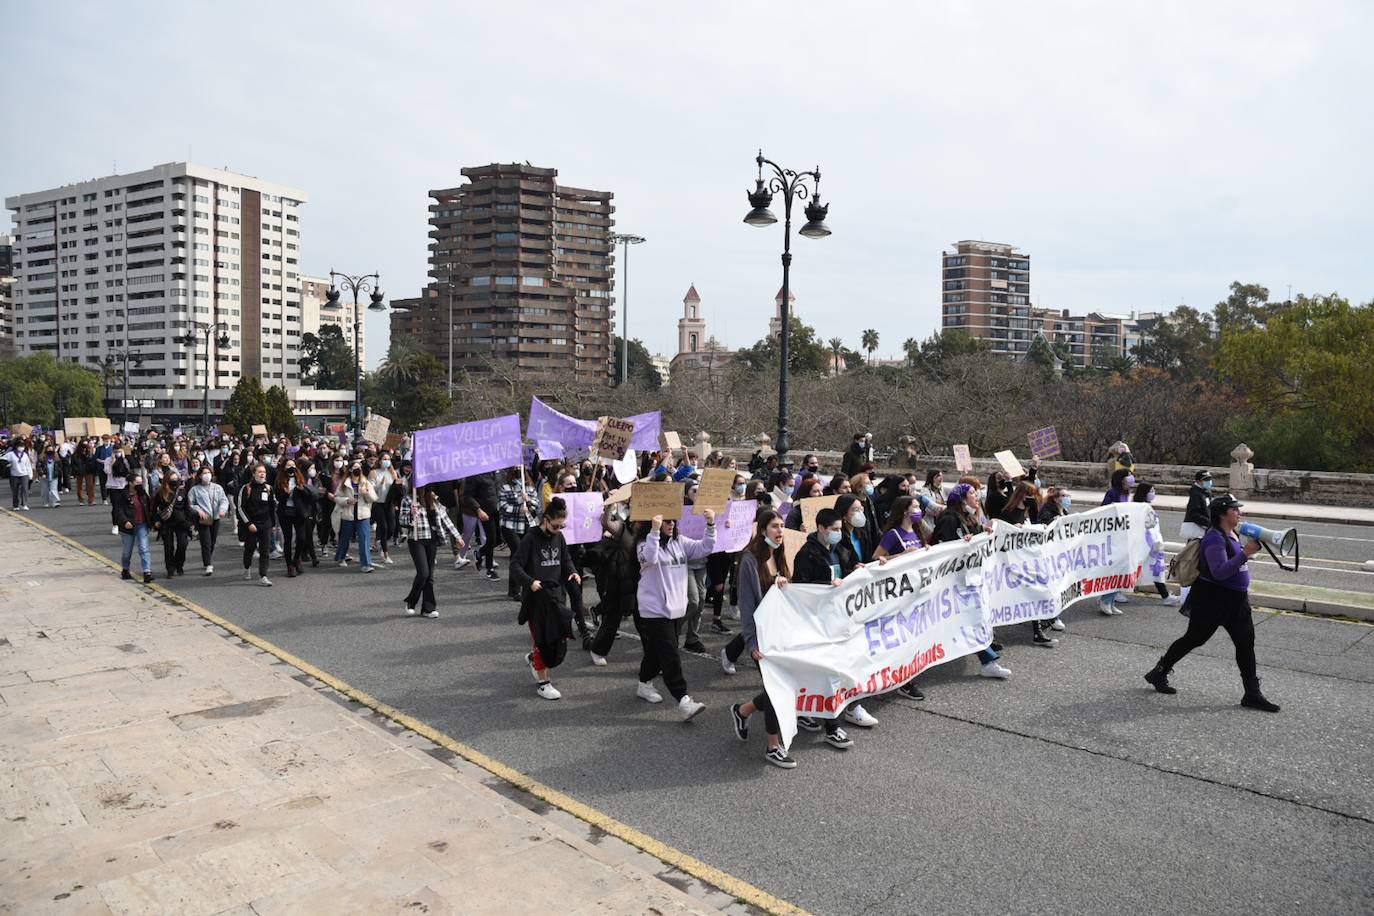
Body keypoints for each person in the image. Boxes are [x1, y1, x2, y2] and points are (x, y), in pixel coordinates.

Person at [1145, 494, 1280, 712]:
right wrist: (1245, 553)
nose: (1239, 512)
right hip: (1213, 599)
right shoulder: (1214, 538)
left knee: (1245, 644)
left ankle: (1252, 693)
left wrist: (1245, 551)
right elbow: (1219, 571)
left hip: (1236, 600)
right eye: (1235, 509)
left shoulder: (1233, 533)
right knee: (1193, 639)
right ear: (1222, 514)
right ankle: (1159, 671)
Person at [790, 507, 876, 740]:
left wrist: (853, 570)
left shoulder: (838, 549)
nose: (839, 533)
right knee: (829, 673)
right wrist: (827, 584)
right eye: (835, 529)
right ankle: (831, 727)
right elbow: (801, 588)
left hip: (838, 618)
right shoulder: (807, 555)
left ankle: (811, 712)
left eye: (840, 529)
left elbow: (844, 570)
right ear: (821, 528)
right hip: (818, 622)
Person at [726, 509, 798, 768]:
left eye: (782, 526)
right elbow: (747, 605)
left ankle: (743, 710)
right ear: (763, 529)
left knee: (779, 687)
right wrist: (751, 643)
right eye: (774, 526)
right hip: (762, 637)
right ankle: (772, 746)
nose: (780, 531)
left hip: (782, 634)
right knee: (777, 690)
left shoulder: (779, 555)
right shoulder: (749, 561)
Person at [633, 510, 715, 721]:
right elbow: (649, 558)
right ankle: (683, 699)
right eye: (666, 521)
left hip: (676, 608)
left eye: (672, 521)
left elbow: (705, 548)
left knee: (656, 651)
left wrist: (711, 524)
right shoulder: (643, 544)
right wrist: (654, 530)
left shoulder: (680, 542)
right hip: (654, 609)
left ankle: (644, 683)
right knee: (670, 653)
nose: (670, 524)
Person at [933, 484, 1012, 679]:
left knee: (969, 619)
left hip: (968, 579)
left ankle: (987, 659)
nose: (976, 498)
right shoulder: (949, 518)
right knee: (967, 619)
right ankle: (987, 659)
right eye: (971, 494)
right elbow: (943, 547)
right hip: (953, 582)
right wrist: (961, 544)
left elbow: (979, 535)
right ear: (961, 499)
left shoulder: (970, 517)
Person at [511, 497, 580, 700]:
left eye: (562, 526)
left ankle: (534, 658)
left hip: (556, 597)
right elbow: (515, 566)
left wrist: (573, 572)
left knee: (557, 639)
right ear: (546, 520)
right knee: (542, 640)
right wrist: (530, 582)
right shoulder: (530, 538)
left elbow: (565, 558)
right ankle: (543, 683)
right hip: (536, 600)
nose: (559, 529)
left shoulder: (559, 537)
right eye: (556, 526)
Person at [399, 483, 465, 618]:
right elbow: (402, 520)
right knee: (423, 573)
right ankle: (411, 601)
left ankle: (428, 608)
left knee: (430, 576)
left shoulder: (433, 499)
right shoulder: (408, 500)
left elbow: (445, 519)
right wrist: (412, 515)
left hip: (432, 540)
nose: (430, 490)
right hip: (416, 539)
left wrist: (457, 536)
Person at [1097, 468, 1136, 615]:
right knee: (1115, 570)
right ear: (1121, 479)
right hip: (1113, 537)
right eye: (1129, 475)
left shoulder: (1126, 494)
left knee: (1122, 569)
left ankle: (1111, 601)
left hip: (1123, 536)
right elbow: (1104, 512)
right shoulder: (1112, 493)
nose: (1131, 478)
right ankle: (1105, 600)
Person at [498, 467, 541, 600]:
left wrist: (527, 500)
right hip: (510, 525)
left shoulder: (529, 487)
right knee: (517, 553)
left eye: (519, 467)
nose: (517, 469)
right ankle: (514, 590)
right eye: (515, 467)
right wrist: (518, 506)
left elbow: (536, 504)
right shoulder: (505, 488)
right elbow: (502, 506)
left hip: (527, 525)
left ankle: (528, 586)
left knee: (527, 556)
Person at [333, 462, 378, 572]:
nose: (357, 469)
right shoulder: (344, 483)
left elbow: (374, 498)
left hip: (363, 515)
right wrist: (347, 500)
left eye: (359, 468)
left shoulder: (366, 482)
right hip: (348, 515)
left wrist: (366, 493)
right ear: (350, 470)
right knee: (345, 538)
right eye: (355, 467)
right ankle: (341, 557)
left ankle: (366, 564)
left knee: (364, 539)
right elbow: (336, 497)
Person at [237, 463, 276, 586]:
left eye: (264, 472)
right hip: (251, 525)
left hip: (266, 524)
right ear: (253, 474)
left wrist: (273, 524)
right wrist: (248, 523)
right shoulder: (246, 488)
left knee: (265, 551)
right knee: (250, 548)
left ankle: (263, 575)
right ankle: (247, 568)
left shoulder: (269, 489)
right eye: (259, 472)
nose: (262, 474)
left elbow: (272, 507)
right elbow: (240, 507)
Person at [112, 473, 154, 583]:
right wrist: (125, 521)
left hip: (142, 525)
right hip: (128, 527)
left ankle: (147, 571)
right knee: (127, 552)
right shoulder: (123, 495)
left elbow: (150, 507)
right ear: (131, 483)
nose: (140, 485)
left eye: (141, 483)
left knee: (144, 549)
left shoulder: (143, 494)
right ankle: (125, 569)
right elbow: (118, 510)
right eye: (137, 483)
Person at [1179, 470, 1213, 605]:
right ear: (1199, 481)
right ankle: (1186, 596)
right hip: (1197, 532)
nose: (1209, 482)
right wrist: (1209, 523)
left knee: (1199, 563)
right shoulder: (1196, 494)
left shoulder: (1205, 492)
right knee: (1192, 563)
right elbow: (1194, 513)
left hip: (1202, 531)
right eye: (1206, 479)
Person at [189, 465, 230, 575]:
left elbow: (224, 500)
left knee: (212, 541)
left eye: (208, 472)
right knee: (205, 542)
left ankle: (207, 558)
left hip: (216, 517)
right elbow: (190, 504)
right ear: (200, 475)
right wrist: (199, 510)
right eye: (204, 473)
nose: (207, 475)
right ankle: (208, 564)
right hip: (204, 518)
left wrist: (222, 510)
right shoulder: (195, 489)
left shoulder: (217, 487)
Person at [275, 460, 312, 577]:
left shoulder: (300, 478)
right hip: (285, 512)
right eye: (288, 465)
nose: (291, 467)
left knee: (301, 538)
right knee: (288, 539)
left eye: (293, 465)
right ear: (284, 467)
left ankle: (296, 559)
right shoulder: (280, 480)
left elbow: (307, 494)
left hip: (299, 512)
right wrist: (286, 494)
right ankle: (289, 565)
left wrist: (302, 490)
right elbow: (278, 498)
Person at [152, 468, 191, 577]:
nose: (174, 481)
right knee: (168, 547)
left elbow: (187, 507)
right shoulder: (161, 492)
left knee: (183, 544)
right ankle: (170, 568)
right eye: (172, 479)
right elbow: (154, 508)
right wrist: (156, 521)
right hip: (167, 522)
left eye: (176, 479)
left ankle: (179, 565)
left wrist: (189, 522)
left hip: (181, 522)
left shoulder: (183, 491)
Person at [368, 454, 398, 566]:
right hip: (377, 503)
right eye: (384, 459)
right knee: (384, 527)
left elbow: (396, 489)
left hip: (389, 504)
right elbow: (369, 488)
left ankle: (381, 541)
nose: (387, 461)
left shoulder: (392, 472)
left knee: (391, 528)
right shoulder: (374, 472)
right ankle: (385, 553)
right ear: (379, 461)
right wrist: (379, 485)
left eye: (389, 459)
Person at [7, 439, 32, 511]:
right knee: (15, 491)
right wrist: (8, 464)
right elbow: (3, 460)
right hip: (14, 475)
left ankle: (24, 504)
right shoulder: (10, 454)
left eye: (23, 446)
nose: (21, 447)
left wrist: (30, 474)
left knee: (24, 489)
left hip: (24, 474)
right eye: (20, 446)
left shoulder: (25, 455)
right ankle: (15, 505)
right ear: (16, 446)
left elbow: (28, 465)